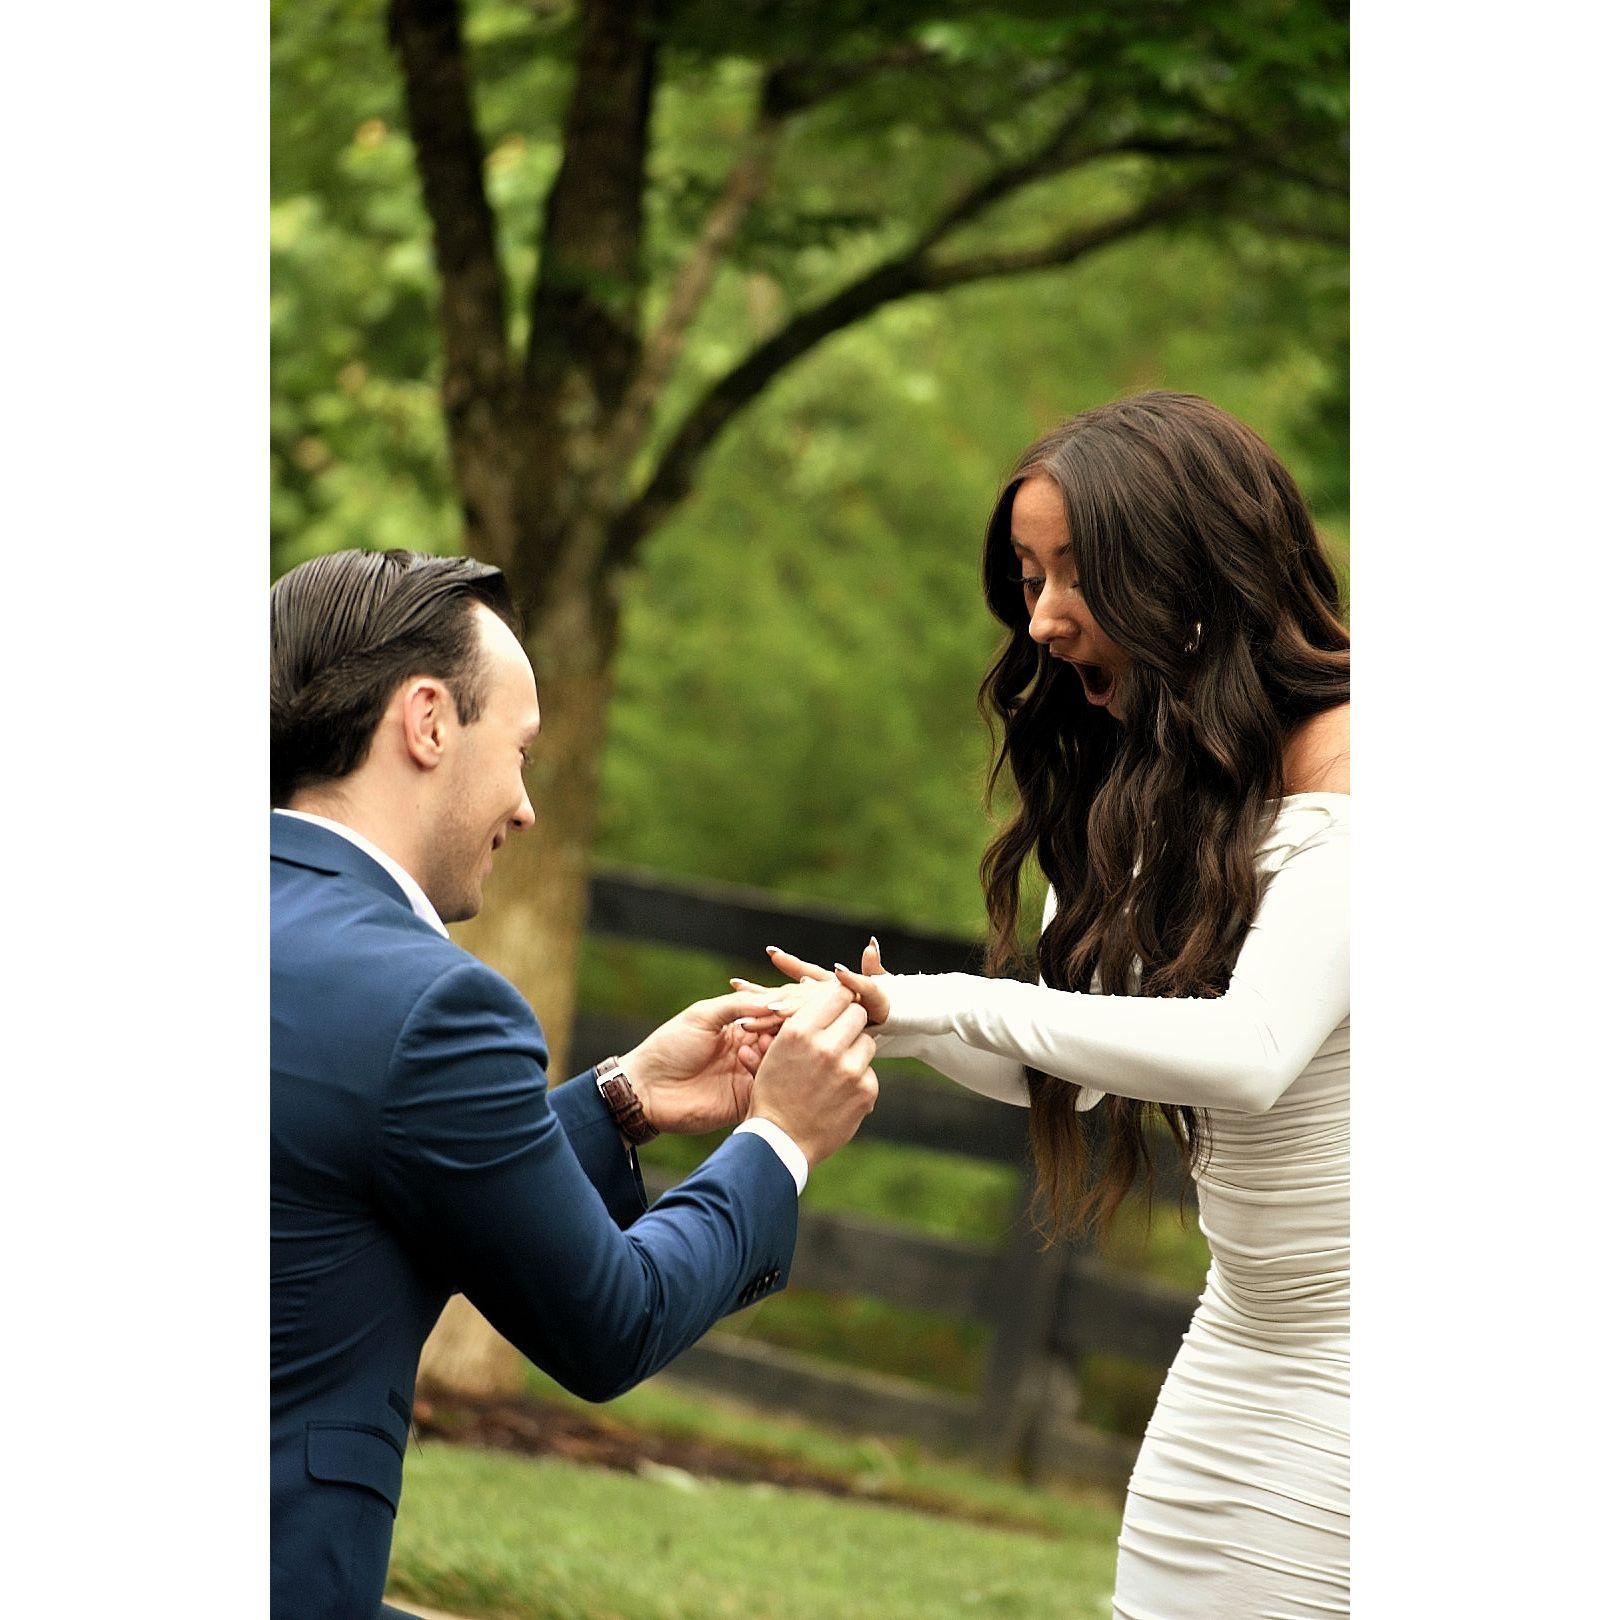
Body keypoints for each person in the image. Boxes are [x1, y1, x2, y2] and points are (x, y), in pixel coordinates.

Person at [749, 393, 1349, 1619]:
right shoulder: (1189, 787)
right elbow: (1072, 1069)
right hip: (1242, 1339)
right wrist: (889, 1021)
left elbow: (1249, 1053)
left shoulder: (1368, 764)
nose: (1044, 618)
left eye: (1079, 574)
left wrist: (959, 1003)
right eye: (1030, 579)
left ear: (1195, 568)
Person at [270, 549, 878, 1620]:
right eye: (521, 751)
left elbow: (352, 1161)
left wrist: (619, 1101)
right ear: (427, 723)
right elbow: (610, 1324)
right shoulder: (435, 1005)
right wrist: (780, 1138)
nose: (526, 808)